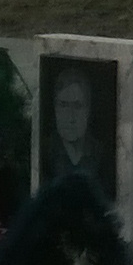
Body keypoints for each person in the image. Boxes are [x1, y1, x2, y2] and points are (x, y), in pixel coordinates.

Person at [43, 65, 111, 200]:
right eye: (63, 105)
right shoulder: (46, 151)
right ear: (55, 108)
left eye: (78, 106)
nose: (71, 117)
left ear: (88, 109)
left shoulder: (101, 154)